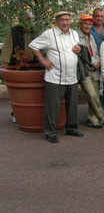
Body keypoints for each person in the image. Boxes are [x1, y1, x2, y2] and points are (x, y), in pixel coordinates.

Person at [29, 11, 83, 143]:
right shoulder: (49, 34)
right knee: (52, 107)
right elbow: (33, 45)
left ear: (71, 21)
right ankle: (50, 132)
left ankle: (71, 128)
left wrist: (79, 50)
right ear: (57, 22)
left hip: (71, 76)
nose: (65, 22)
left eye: (67, 20)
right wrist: (43, 60)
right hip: (55, 76)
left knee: (72, 106)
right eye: (62, 20)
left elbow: (77, 49)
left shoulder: (74, 33)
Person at [1, 11, 37, 122]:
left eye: (29, 19)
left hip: (33, 65)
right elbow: (7, 47)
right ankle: (15, 114)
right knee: (18, 93)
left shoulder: (34, 31)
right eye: (25, 19)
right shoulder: (13, 31)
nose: (27, 22)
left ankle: (31, 114)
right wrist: (6, 63)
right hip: (17, 65)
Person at [77, 14, 104, 128]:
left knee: (95, 96)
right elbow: (83, 54)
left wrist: (98, 63)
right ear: (80, 24)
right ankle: (101, 115)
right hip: (84, 71)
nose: (87, 26)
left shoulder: (91, 36)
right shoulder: (75, 36)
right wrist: (94, 63)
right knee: (91, 95)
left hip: (95, 70)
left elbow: (96, 52)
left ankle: (93, 119)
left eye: (89, 24)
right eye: (85, 24)